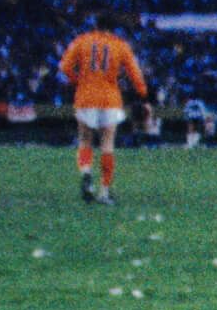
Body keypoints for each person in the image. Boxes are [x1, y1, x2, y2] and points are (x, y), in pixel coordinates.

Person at [58, 14, 149, 205]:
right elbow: (135, 73)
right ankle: (104, 191)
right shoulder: (120, 45)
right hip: (110, 99)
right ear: (113, 28)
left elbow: (64, 67)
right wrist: (142, 92)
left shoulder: (82, 41)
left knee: (85, 140)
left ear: (95, 25)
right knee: (107, 144)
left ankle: (86, 174)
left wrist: (79, 81)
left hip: (85, 97)